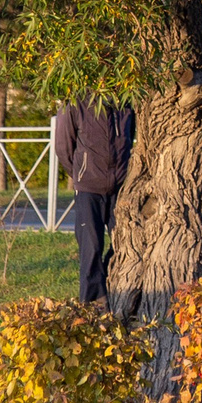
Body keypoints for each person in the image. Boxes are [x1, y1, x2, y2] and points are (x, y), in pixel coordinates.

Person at [54, 95, 134, 306]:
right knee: (91, 249)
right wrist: (82, 174)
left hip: (120, 187)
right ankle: (92, 306)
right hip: (88, 188)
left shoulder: (124, 101)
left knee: (127, 242)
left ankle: (114, 290)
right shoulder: (76, 102)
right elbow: (63, 148)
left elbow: (129, 137)